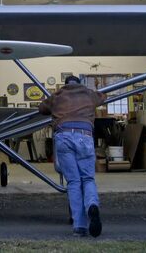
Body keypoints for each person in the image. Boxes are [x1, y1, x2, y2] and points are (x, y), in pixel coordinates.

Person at [39, 74, 106, 238]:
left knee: (74, 182)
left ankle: (80, 227)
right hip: (85, 135)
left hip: (64, 136)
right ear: (79, 83)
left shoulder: (58, 96)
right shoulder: (88, 93)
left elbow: (41, 108)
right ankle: (91, 205)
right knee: (88, 179)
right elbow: (103, 97)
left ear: (65, 84)